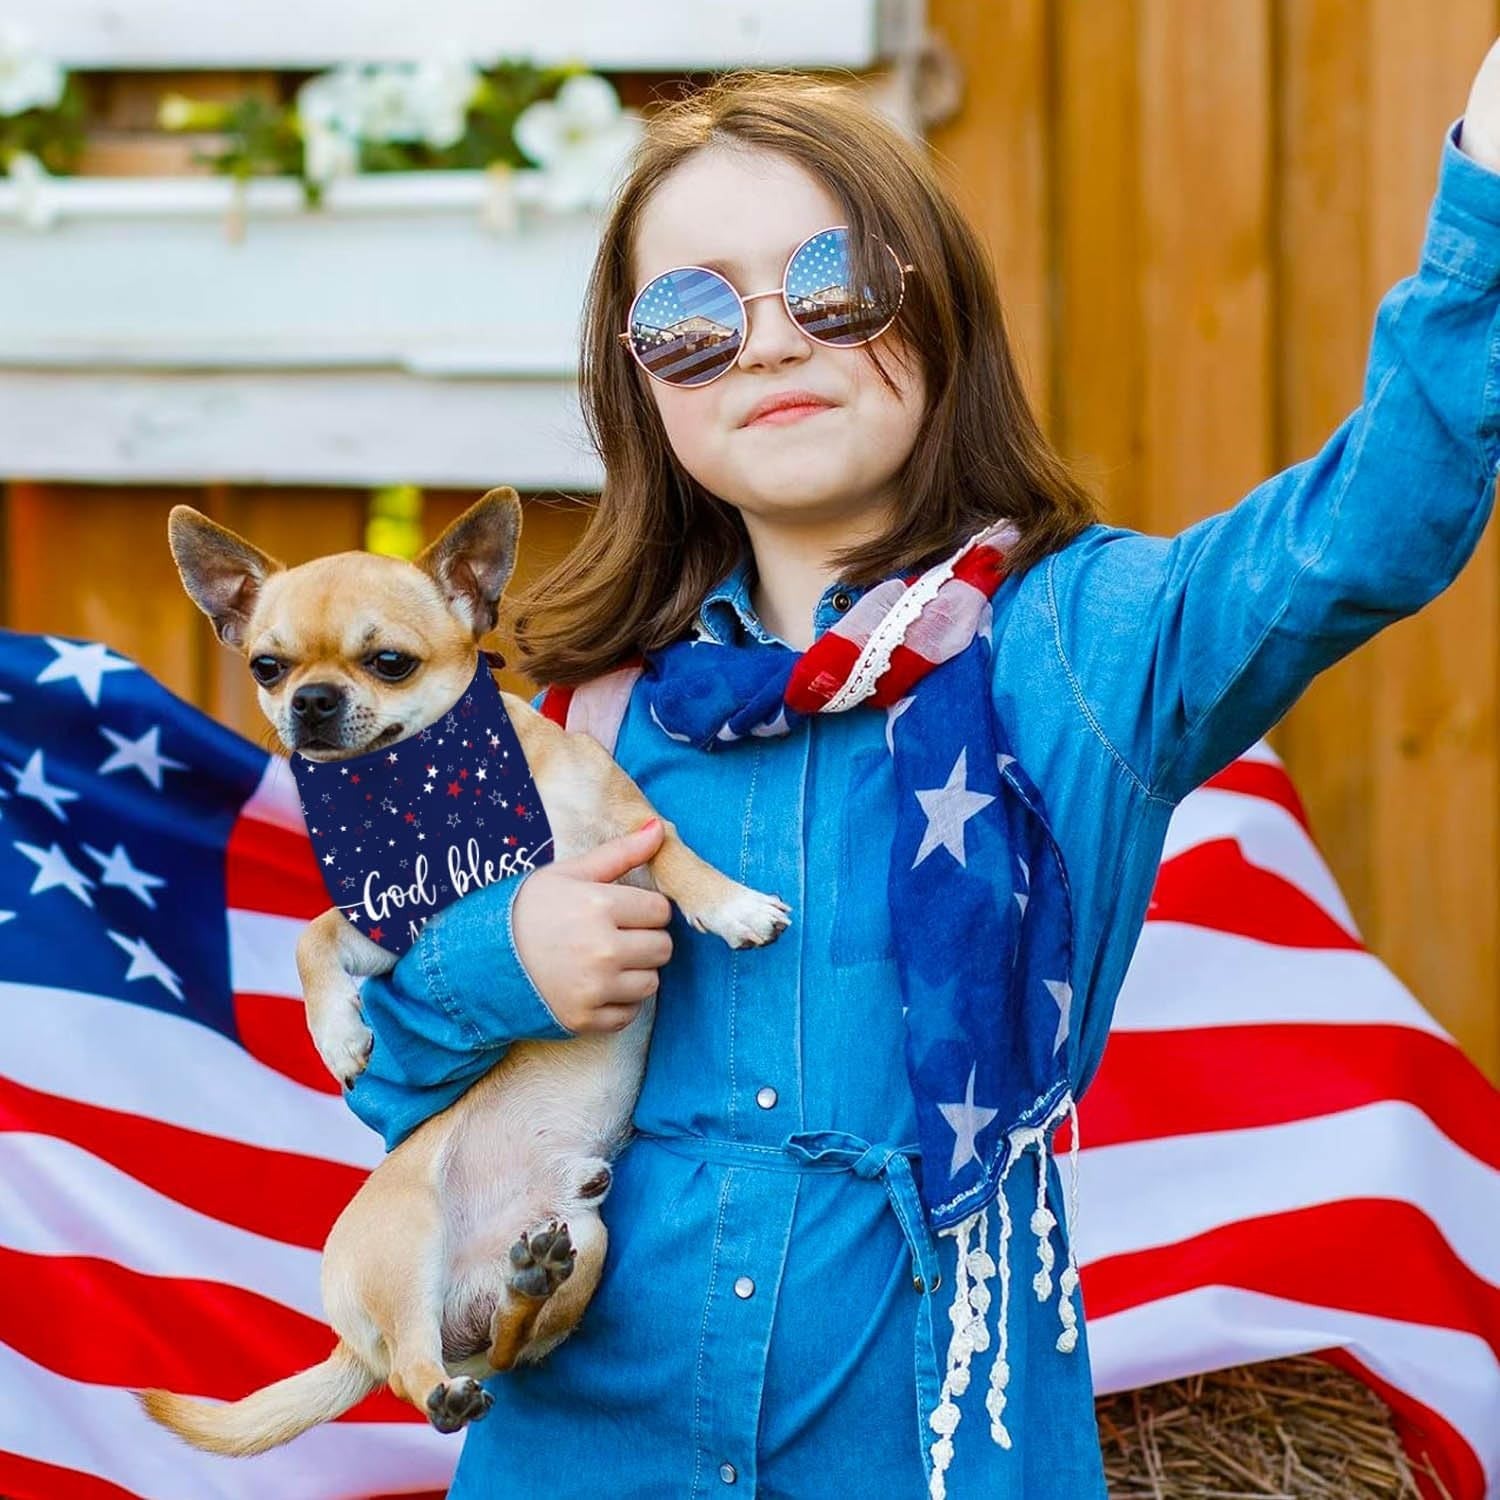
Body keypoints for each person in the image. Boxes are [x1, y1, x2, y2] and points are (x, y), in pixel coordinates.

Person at [343, 56, 1500, 1499]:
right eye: (692, 316)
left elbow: (1370, 529)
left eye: (832, 282)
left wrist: (1491, 180)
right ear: (643, 387)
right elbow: (391, 1084)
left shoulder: (1083, 647)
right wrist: (512, 964)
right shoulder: (578, 712)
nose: (767, 343)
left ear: (935, 306)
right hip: (585, 1447)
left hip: (935, 1440)